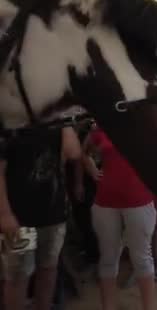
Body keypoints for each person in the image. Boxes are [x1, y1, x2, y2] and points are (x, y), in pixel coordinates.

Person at [0, 126, 82, 310]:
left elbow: (74, 153)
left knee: (48, 269)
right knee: (18, 277)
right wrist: (4, 214)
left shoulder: (54, 126)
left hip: (54, 216)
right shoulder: (9, 127)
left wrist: (66, 126)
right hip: (19, 221)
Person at [81, 124, 156, 310]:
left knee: (142, 258)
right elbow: (83, 152)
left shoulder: (144, 124)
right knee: (108, 257)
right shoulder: (102, 126)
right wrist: (91, 168)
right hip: (105, 201)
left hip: (139, 199)